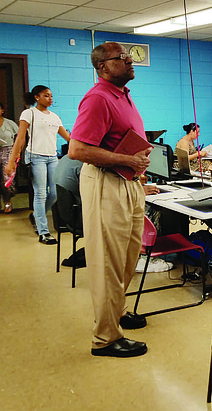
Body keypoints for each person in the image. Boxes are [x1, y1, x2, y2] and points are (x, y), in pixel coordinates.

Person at [69, 42, 152, 358]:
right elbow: (77, 150)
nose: (130, 62)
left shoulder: (123, 95)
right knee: (108, 262)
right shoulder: (98, 98)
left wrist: (137, 168)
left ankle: (116, 313)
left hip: (128, 182)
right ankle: (105, 338)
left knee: (128, 256)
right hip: (107, 183)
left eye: (130, 58)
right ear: (103, 66)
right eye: (123, 58)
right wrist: (128, 160)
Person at [4, 86, 70, 244]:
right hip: (36, 157)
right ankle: (43, 232)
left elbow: (68, 137)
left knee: (54, 193)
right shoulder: (29, 113)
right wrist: (11, 161)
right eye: (46, 96)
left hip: (52, 157)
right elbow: (20, 138)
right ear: (37, 97)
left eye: (51, 96)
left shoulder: (54, 117)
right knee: (40, 194)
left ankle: (35, 216)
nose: (50, 98)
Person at [0, 101, 19, 212]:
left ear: (2, 110)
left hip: (7, 151)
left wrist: (17, 152)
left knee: (7, 178)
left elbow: (19, 137)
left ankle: (7, 201)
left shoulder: (9, 123)